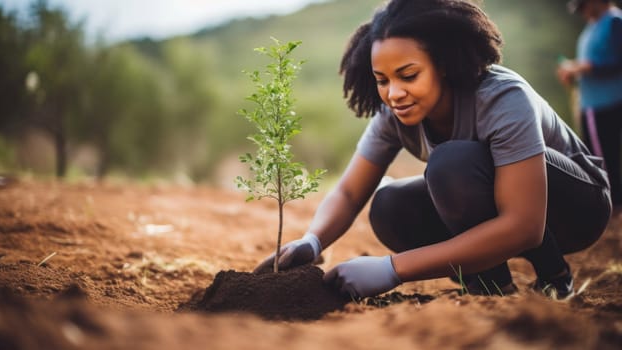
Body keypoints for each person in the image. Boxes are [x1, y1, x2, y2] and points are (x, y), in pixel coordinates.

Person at [255, 0, 612, 300]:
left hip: (576, 208)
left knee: (451, 165)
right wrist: (313, 241)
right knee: (389, 205)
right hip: (507, 214)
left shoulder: (502, 97)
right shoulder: (392, 113)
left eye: (408, 75)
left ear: (443, 66)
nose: (394, 93)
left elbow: (525, 227)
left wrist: (392, 270)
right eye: (383, 80)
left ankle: (555, 277)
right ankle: (490, 286)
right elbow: (350, 192)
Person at [557, 0, 622, 206]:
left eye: (583, 6)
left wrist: (579, 68)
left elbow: (613, 61)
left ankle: (613, 208)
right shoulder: (593, 26)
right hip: (594, 103)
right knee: (602, 157)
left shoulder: (614, 22)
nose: (582, 12)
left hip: (606, 103)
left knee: (603, 161)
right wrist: (575, 71)